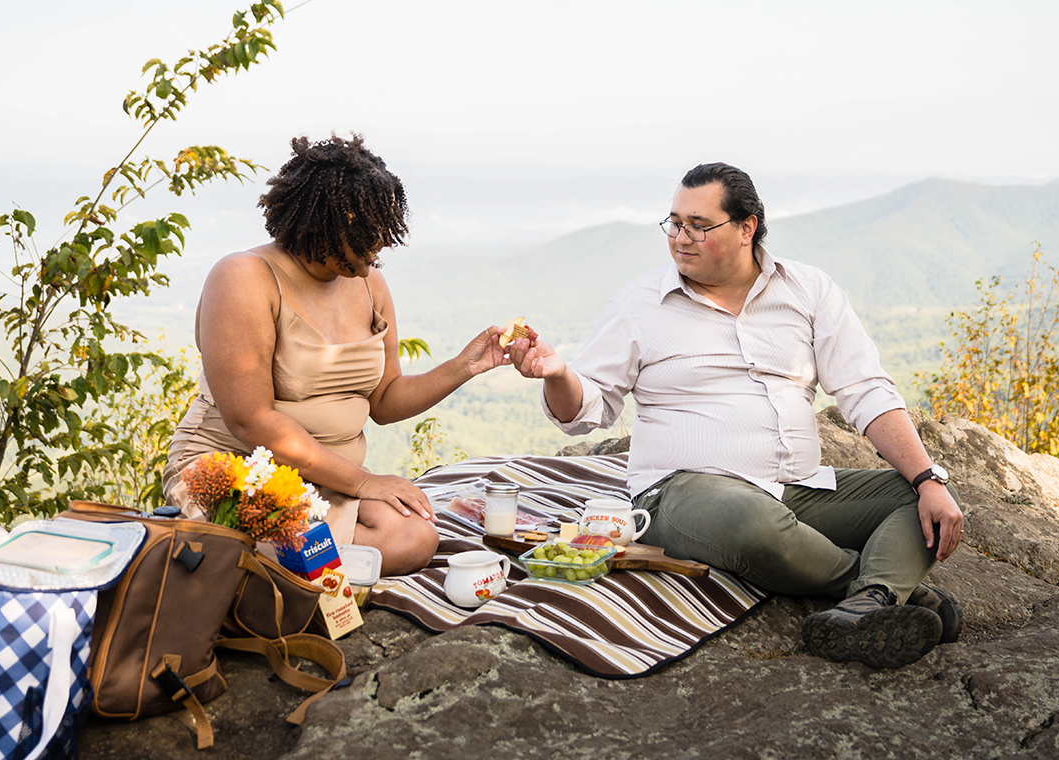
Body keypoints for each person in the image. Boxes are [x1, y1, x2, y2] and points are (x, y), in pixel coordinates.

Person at [507, 161, 965, 668]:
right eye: (674, 223)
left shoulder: (808, 290)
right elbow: (587, 409)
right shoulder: (639, 304)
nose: (681, 237)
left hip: (796, 487)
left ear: (747, 228)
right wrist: (556, 374)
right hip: (685, 490)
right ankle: (883, 592)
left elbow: (865, 389)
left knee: (923, 494)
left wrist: (926, 478)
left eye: (699, 225)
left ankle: (866, 606)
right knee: (752, 522)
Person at [162, 134, 509, 576]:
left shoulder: (370, 284)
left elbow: (384, 400)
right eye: (363, 237)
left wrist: (466, 365)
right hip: (237, 469)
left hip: (322, 479)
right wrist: (365, 482)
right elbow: (251, 420)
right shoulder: (244, 278)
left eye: (381, 236)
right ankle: (238, 559)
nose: (374, 252)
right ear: (322, 224)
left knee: (412, 534)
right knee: (299, 540)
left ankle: (268, 564)